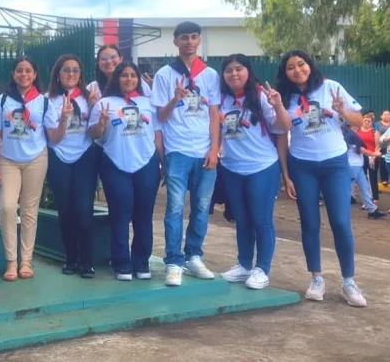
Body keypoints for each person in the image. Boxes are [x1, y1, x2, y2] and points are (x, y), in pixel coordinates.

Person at [276, 49, 367, 307]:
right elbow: (281, 134)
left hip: (335, 163)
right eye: (290, 67)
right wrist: (285, 175)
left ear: (310, 65)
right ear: (285, 73)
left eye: (301, 64)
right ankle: (317, 278)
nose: (297, 70)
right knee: (310, 223)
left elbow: (358, 121)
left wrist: (342, 111)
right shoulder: (285, 98)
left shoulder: (331, 87)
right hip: (302, 166)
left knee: (340, 222)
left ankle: (349, 282)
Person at [151, 21, 220, 287]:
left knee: (202, 207)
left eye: (194, 37)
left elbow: (214, 114)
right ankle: (173, 261)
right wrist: (176, 99)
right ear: (175, 41)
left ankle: (193, 256)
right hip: (178, 150)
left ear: (199, 40)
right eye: (184, 38)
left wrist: (214, 148)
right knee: (175, 207)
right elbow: (160, 116)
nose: (189, 42)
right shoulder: (164, 75)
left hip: (205, 151)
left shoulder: (210, 75)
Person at [0, 56, 64, 281]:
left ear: (35, 74)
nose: (24, 75)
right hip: (8, 160)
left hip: (37, 159)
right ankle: (11, 261)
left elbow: (54, 137)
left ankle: (26, 260)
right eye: (19, 70)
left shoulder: (44, 102)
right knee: (8, 207)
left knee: (29, 211)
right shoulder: (1, 101)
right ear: (13, 74)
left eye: (28, 71)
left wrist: (65, 119)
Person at [216, 54, 291, 290]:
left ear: (248, 72)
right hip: (231, 167)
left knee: (261, 219)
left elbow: (284, 126)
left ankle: (263, 269)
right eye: (229, 70)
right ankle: (244, 264)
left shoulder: (261, 95)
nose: (234, 74)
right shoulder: (220, 99)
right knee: (242, 220)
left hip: (262, 166)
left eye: (239, 69)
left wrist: (277, 104)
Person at [88, 62, 163, 281]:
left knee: (144, 215)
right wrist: (101, 123)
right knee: (120, 214)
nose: (129, 79)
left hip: (146, 163)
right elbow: (93, 134)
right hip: (115, 163)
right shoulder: (104, 103)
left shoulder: (148, 103)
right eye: (124, 75)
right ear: (116, 78)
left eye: (133, 75)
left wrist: (163, 161)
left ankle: (141, 262)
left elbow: (157, 133)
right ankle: (122, 263)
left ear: (138, 79)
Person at [45, 54, 98, 278]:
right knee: (65, 211)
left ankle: (87, 261)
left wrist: (97, 112)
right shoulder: (48, 100)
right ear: (58, 73)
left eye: (75, 70)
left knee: (84, 211)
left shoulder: (89, 98)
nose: (71, 74)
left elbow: (95, 131)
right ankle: (71, 259)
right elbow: (54, 138)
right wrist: (64, 118)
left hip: (85, 156)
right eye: (66, 70)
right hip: (58, 157)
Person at [343, 124, 386, 219]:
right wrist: (376, 154)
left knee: (365, 187)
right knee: (347, 189)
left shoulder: (349, 135)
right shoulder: (351, 136)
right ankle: (341, 211)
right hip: (353, 166)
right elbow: (363, 151)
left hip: (357, 166)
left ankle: (372, 210)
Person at [357, 111, 380, 203]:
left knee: (372, 178)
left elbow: (377, 145)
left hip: (371, 157)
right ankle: (366, 198)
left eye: (368, 121)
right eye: (365, 120)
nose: (366, 123)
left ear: (372, 122)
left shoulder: (374, 131)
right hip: (360, 156)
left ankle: (373, 198)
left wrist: (373, 156)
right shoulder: (358, 130)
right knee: (363, 178)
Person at [377, 110, 390, 185]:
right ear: (381, 116)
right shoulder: (377, 124)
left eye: (388, 114)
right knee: (382, 164)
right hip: (382, 147)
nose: (387, 116)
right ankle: (384, 179)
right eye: (385, 114)